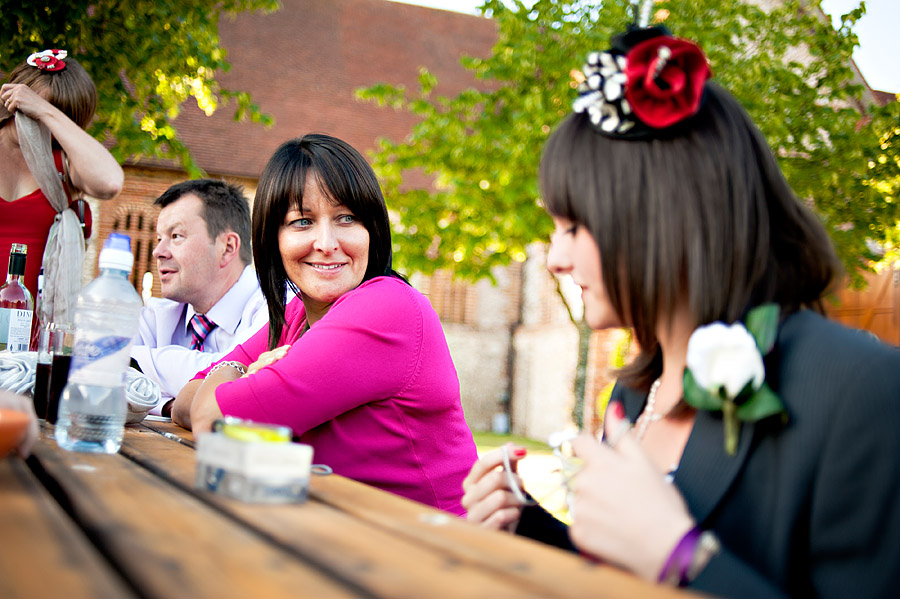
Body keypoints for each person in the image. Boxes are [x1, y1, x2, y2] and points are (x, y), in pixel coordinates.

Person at [460, 11, 900, 598]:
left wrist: (683, 556)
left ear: (653, 217)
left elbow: (666, 558)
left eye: (573, 227)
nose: (554, 260)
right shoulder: (637, 389)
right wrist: (528, 525)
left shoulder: (859, 390)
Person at [171, 134, 477, 514]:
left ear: (372, 231)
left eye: (346, 218)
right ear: (272, 239)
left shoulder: (387, 308)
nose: (327, 242)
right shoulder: (296, 316)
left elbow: (208, 419)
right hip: (345, 534)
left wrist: (230, 382)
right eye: (302, 222)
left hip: (442, 550)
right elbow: (183, 401)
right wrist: (244, 373)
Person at [131, 179, 268, 417]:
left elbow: (236, 378)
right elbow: (103, 372)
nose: (158, 252)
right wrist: (169, 406)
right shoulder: (158, 314)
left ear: (227, 247)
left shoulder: (275, 308)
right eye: (158, 238)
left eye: (176, 236)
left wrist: (133, 356)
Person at [0, 49, 123, 301]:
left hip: (33, 329)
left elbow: (110, 182)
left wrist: (44, 109)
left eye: (57, 117)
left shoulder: (64, 165)